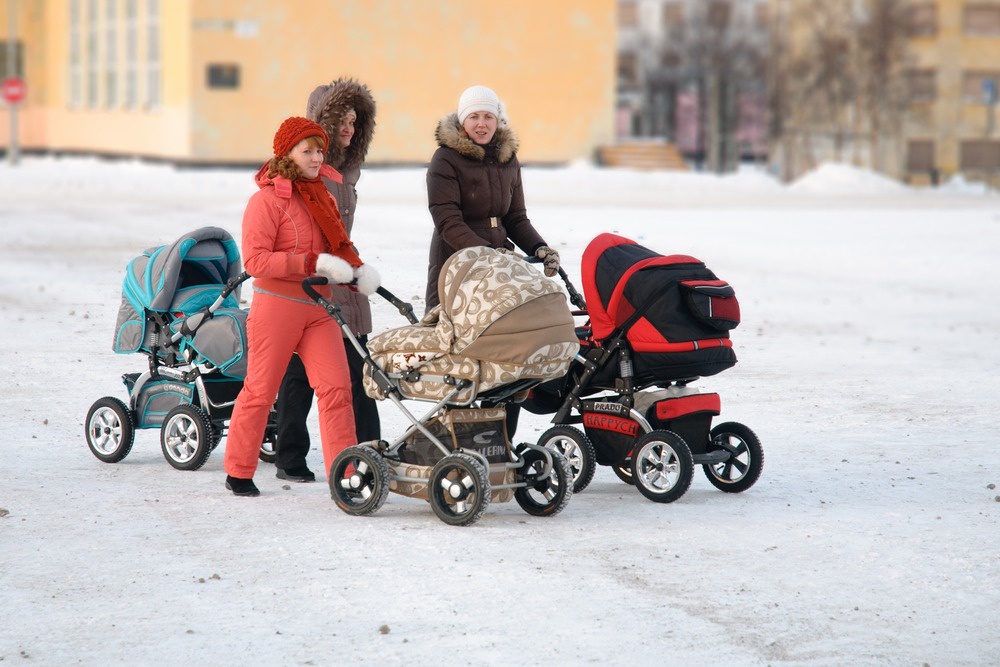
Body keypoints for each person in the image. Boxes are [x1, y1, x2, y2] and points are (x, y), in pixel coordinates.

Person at [223, 116, 381, 497]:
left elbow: (339, 244)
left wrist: (356, 271)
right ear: (287, 153)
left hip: (318, 307)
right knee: (261, 390)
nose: (314, 158)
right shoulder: (265, 201)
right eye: (306, 150)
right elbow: (256, 262)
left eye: (318, 150)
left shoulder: (322, 196)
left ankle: (344, 475)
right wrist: (311, 263)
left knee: (337, 388)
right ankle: (239, 470)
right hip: (277, 306)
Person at [424, 84, 560, 437]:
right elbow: (447, 220)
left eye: (488, 116)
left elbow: (516, 217)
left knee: (507, 355)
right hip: (457, 268)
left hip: (499, 271)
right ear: (462, 120)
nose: (481, 124)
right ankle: (454, 439)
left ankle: (501, 441)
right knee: (462, 358)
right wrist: (485, 254)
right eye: (474, 117)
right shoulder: (446, 160)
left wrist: (540, 248)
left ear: (498, 120)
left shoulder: (507, 159)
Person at [272, 79, 379, 484]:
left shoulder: (346, 170)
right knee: (313, 370)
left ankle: (365, 453)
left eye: (354, 122)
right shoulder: (310, 168)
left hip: (344, 274)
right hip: (315, 278)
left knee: (354, 368)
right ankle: (302, 454)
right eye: (341, 121)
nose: (349, 129)